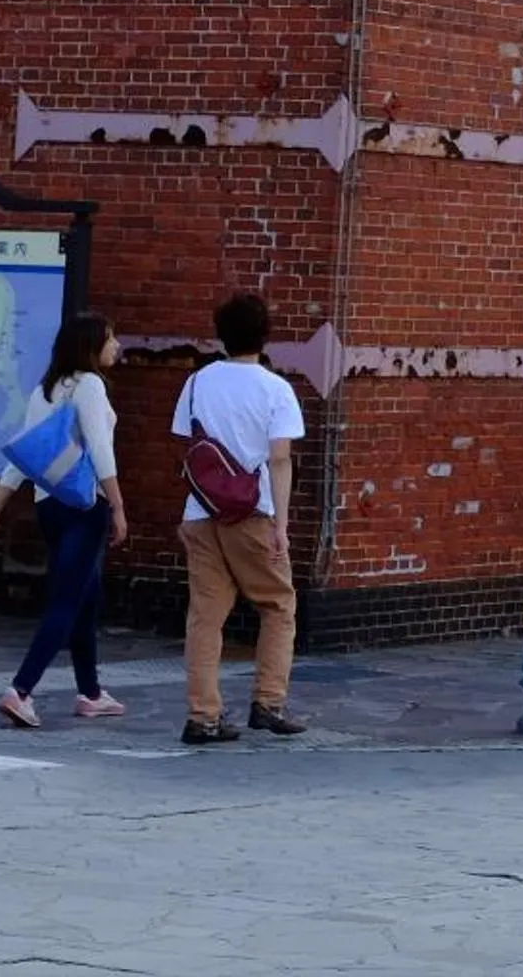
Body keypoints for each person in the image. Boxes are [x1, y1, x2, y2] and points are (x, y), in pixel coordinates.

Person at [0, 312, 130, 729]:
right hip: (84, 505)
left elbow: (25, 453)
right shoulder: (91, 386)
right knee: (66, 600)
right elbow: (101, 450)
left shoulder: (46, 388)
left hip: (49, 506)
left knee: (85, 597)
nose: (117, 347)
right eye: (111, 339)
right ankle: (20, 691)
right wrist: (117, 505)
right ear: (92, 345)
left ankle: (91, 693)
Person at [172, 292, 307, 743]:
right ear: (265, 336)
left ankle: (203, 715)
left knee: (206, 617)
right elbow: (280, 459)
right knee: (278, 605)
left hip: (200, 511)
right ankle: (268, 702)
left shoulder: (197, 383)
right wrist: (282, 527)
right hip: (253, 514)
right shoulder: (276, 390)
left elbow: (187, 444)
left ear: (221, 336)